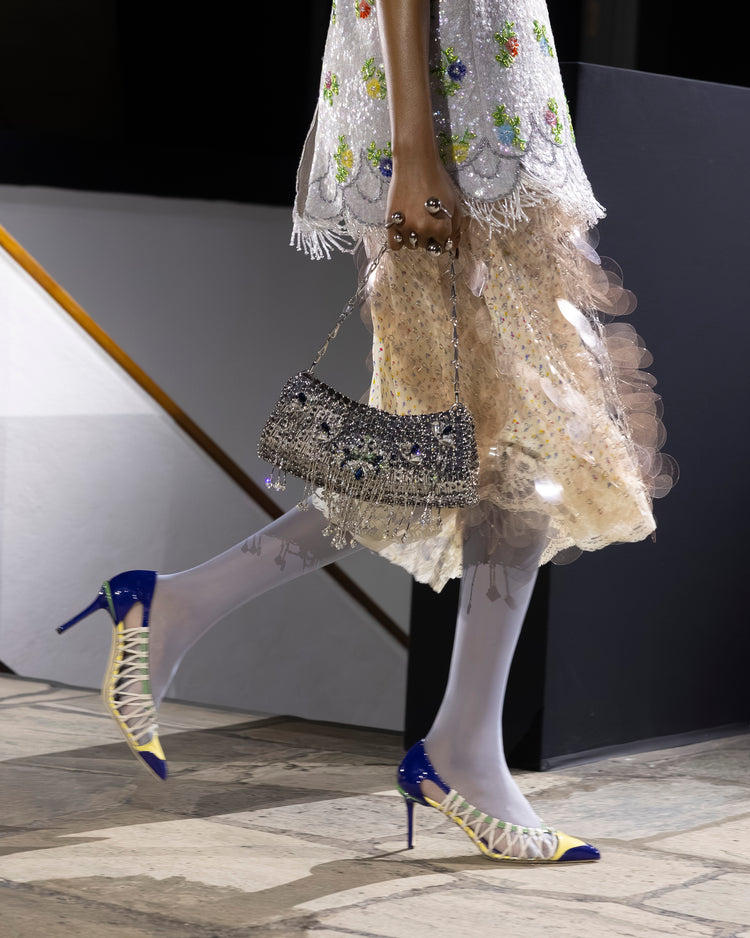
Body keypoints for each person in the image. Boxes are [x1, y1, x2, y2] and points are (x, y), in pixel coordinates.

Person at [57, 0, 675, 863]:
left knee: (489, 452)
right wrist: (416, 152)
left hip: (494, 120)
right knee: (504, 444)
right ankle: (457, 745)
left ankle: (192, 608)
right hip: (448, 128)